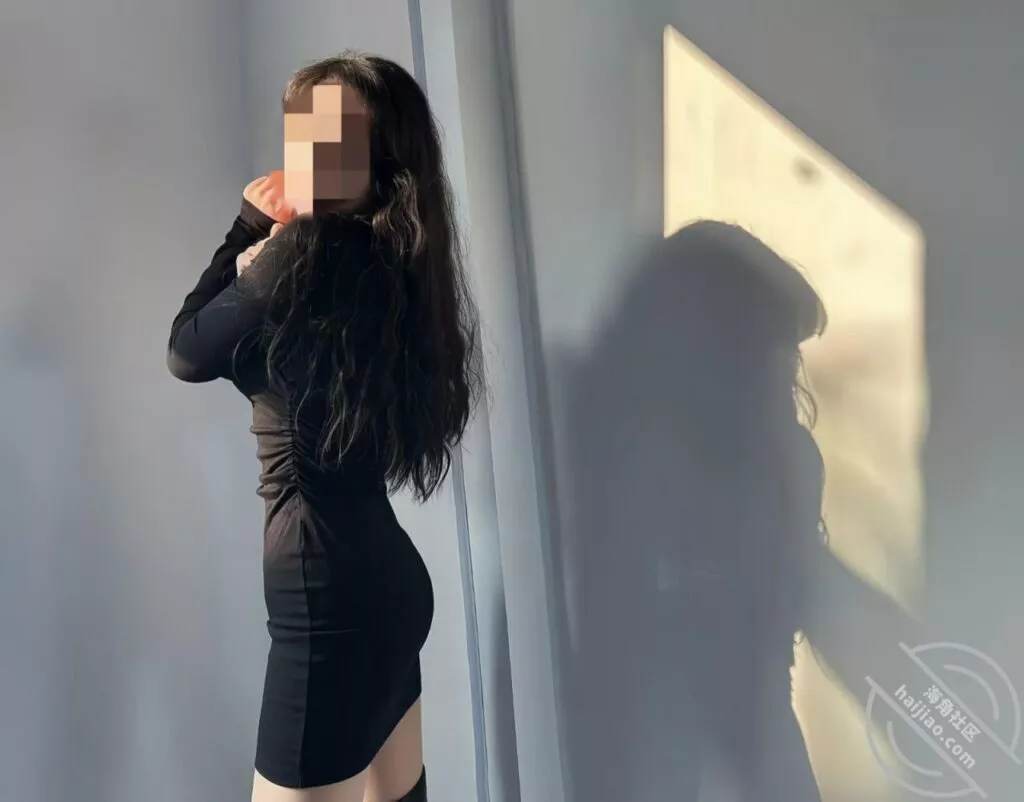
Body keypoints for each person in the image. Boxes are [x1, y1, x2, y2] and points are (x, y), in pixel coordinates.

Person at [166, 52, 480, 802]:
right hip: (385, 584)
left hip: (326, 596)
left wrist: (247, 226)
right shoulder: (399, 258)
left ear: (376, 150)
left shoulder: (300, 253)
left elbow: (186, 350)